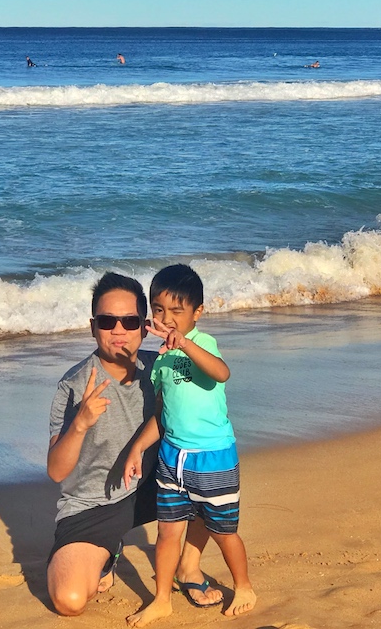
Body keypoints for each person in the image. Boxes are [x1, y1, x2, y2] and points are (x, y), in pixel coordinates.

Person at [46, 272, 220, 617]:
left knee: (211, 469)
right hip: (93, 504)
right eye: (108, 321)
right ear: (93, 326)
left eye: (130, 321)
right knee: (69, 601)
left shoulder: (163, 368)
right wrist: (79, 424)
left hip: (156, 485)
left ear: (145, 326)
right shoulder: (75, 384)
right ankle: (108, 553)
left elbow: (211, 391)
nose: (119, 331)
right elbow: (56, 471)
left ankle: (189, 566)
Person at [123, 264, 256, 626]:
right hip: (172, 458)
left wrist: (184, 343)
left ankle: (243, 586)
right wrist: (137, 447)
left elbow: (221, 372)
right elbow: (163, 415)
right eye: (159, 310)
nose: (167, 319)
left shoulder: (203, 343)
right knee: (167, 533)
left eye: (177, 312)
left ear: (197, 313)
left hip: (213, 458)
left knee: (222, 531)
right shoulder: (161, 362)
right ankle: (162, 598)